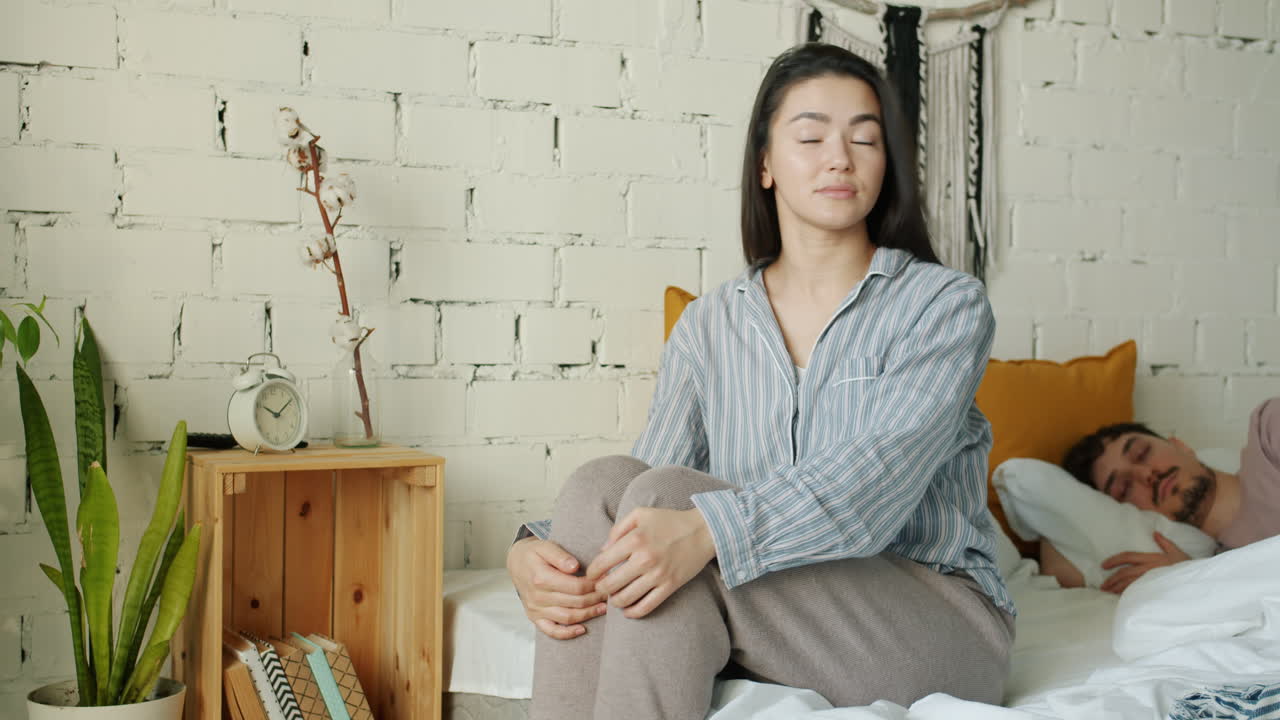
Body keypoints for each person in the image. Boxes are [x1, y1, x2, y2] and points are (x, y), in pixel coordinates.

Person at [505, 42, 1014, 719]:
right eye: (811, 136)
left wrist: (711, 531)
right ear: (766, 164)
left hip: (937, 616)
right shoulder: (709, 325)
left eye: (865, 139)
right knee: (605, 486)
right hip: (779, 599)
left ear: (886, 166)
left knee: (670, 509)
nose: (840, 157)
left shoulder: (943, 305)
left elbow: (876, 483)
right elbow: (643, 494)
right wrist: (534, 555)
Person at [1042, 397, 1280, 594]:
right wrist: (1189, 574)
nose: (1146, 475)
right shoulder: (1215, 577)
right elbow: (1062, 569)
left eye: (1142, 452)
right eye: (1124, 488)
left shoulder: (1267, 431)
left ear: (1180, 445)